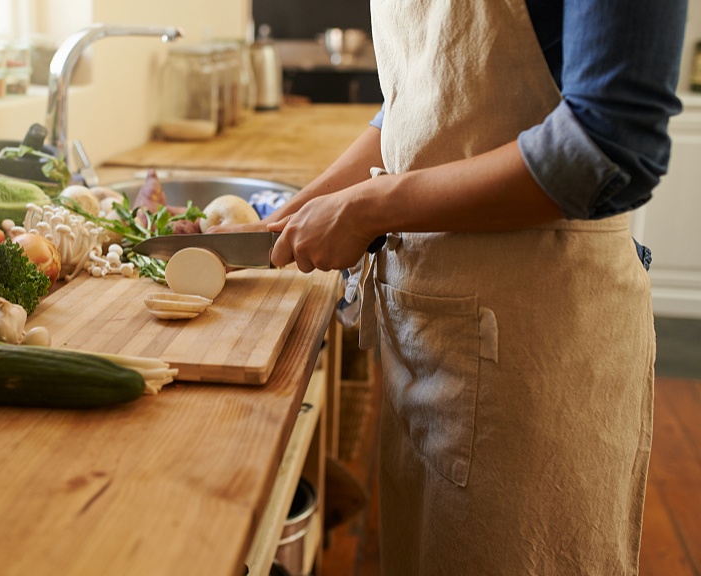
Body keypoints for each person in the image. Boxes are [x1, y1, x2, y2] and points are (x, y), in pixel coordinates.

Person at [220, 1, 688, 573]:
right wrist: (297, 213)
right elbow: (422, 100)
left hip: (533, 348)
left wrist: (368, 208)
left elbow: (608, 145)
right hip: (426, 336)